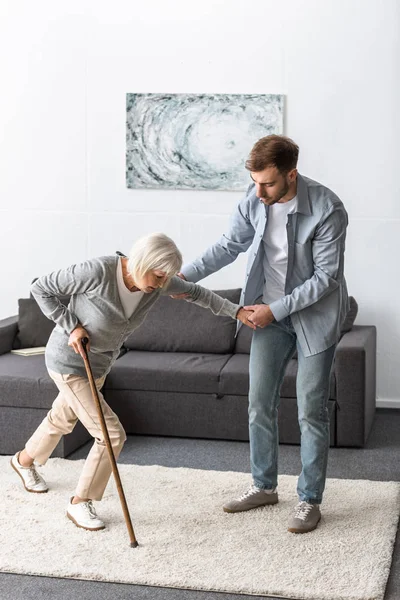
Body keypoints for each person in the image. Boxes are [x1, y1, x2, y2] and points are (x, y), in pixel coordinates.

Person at [11, 232, 254, 532]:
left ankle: (23, 461)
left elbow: (197, 293)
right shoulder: (98, 271)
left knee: (62, 417)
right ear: (144, 262)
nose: (162, 284)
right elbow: (41, 288)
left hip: (98, 366)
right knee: (111, 435)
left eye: (166, 278)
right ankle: (80, 502)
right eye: (159, 275)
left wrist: (237, 311)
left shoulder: (154, 284)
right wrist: (71, 326)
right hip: (69, 362)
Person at [177, 135, 349, 533]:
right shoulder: (254, 199)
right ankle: (263, 486)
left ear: (291, 174)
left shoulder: (327, 209)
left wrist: (276, 309)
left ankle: (309, 500)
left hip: (313, 318)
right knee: (259, 404)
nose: (258, 191)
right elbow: (228, 245)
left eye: (267, 183)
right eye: (254, 182)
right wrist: (185, 276)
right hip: (268, 316)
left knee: (311, 411)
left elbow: (326, 278)